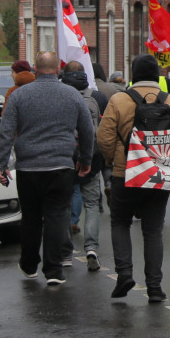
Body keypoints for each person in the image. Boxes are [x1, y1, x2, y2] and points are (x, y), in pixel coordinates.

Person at [0, 51, 95, 285]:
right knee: (56, 216)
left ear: (34, 69)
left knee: (31, 217)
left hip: (28, 167)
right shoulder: (71, 95)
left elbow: (6, 132)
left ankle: (29, 265)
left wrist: (2, 164)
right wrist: (85, 159)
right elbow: (88, 130)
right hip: (61, 165)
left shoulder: (19, 96)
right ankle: (54, 270)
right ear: (57, 71)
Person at [98, 54, 170, 302]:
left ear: (134, 75)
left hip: (124, 173)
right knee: (153, 230)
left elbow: (104, 138)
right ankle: (155, 287)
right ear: (156, 75)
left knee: (120, 222)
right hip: (160, 174)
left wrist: (112, 161)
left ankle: (125, 274)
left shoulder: (118, 100)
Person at [61, 62, 107, 271]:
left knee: (62, 205)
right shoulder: (97, 98)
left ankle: (66, 253)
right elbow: (105, 130)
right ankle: (91, 249)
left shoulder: (59, 96)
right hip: (92, 160)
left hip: (63, 159)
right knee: (91, 204)